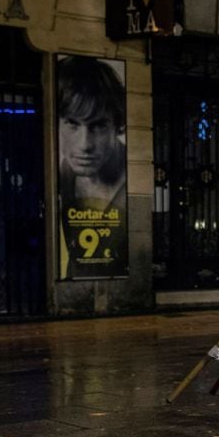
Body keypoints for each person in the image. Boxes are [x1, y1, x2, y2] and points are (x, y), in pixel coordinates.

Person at [56, 55, 127, 278]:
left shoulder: (128, 183)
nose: (85, 145)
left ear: (117, 125)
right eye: (72, 124)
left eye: (98, 126)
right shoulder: (65, 171)